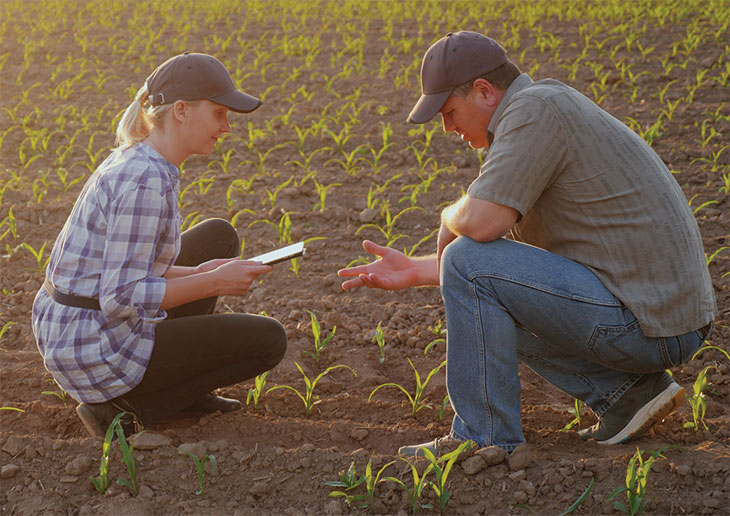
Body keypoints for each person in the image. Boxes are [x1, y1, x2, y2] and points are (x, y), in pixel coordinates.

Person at [338, 31, 716, 456]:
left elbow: (478, 229)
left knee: (465, 257)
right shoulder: (541, 108)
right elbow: (505, 271)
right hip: (659, 316)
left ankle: (482, 439)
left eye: (449, 112)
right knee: (480, 293)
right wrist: (416, 269)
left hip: (647, 322)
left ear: (484, 91)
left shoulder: (534, 111)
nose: (448, 128)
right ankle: (627, 396)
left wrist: (449, 217)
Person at [32, 53, 287, 437]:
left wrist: (202, 272)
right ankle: (125, 410)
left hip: (76, 327)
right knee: (269, 341)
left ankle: (186, 389)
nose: (227, 127)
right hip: (92, 346)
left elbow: (133, 266)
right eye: (219, 113)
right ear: (181, 111)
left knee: (217, 239)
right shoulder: (144, 182)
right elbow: (120, 296)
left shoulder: (144, 159)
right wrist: (215, 282)